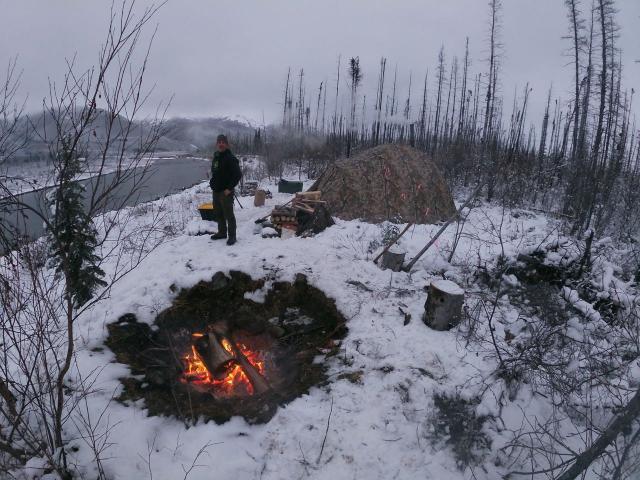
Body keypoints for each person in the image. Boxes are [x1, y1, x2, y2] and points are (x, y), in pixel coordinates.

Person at [209, 134, 242, 245]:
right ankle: (222, 232)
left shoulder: (230, 158)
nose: (221, 144)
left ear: (227, 144)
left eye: (223, 142)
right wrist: (212, 183)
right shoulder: (216, 157)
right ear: (216, 144)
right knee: (218, 213)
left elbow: (237, 175)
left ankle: (232, 236)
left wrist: (229, 188)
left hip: (225, 192)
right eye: (219, 142)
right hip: (216, 191)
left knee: (229, 215)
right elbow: (215, 172)